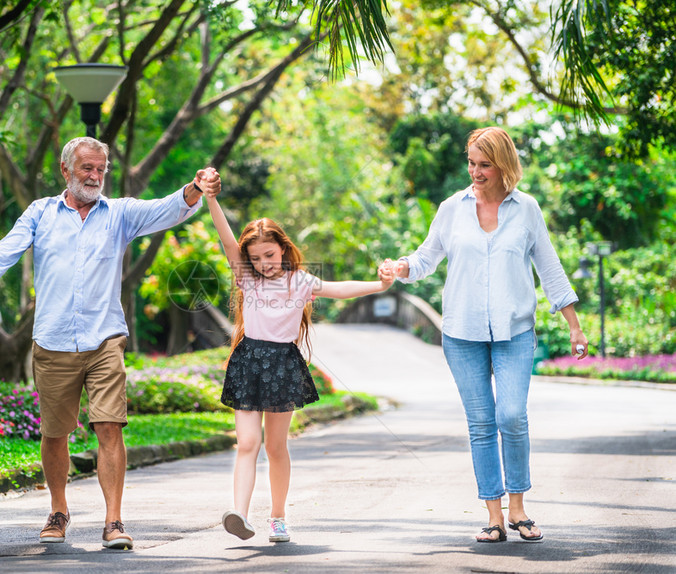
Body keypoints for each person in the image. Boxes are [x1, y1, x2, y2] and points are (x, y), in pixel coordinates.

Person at [0, 136, 220, 550]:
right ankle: (58, 509)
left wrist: (195, 188)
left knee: (109, 426)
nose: (94, 176)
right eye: (87, 168)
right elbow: (7, 249)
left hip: (104, 336)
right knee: (55, 433)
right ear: (66, 171)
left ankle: (113, 521)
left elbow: (167, 207)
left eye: (100, 170)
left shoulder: (120, 213)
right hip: (53, 341)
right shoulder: (40, 213)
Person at [379, 126, 589, 543]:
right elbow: (426, 257)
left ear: (503, 164)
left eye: (484, 164)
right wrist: (401, 267)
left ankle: (519, 507)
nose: (475, 171)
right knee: (480, 423)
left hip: (514, 332)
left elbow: (549, 267)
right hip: (462, 332)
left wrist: (574, 325)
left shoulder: (526, 209)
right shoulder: (451, 208)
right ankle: (493, 515)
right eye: (471, 162)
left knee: (511, 416)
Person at [204, 186, 396, 544]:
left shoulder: (300, 281)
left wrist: (379, 285)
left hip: (282, 364)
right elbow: (227, 240)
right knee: (247, 442)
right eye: (257, 258)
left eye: (270, 255)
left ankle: (278, 516)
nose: (264, 263)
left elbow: (340, 289)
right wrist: (211, 198)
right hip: (249, 361)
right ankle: (240, 515)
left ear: (283, 249)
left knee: (275, 447)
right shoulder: (247, 278)